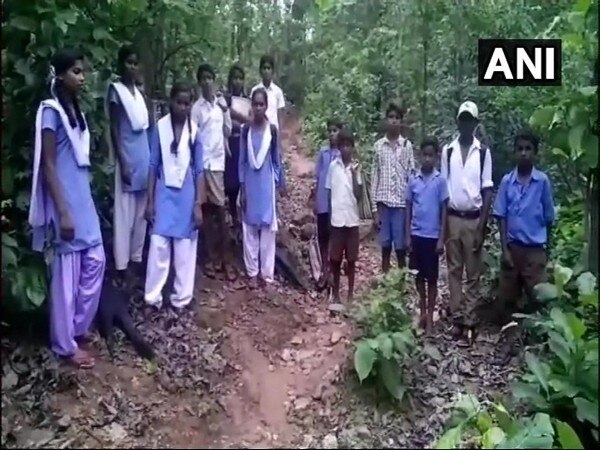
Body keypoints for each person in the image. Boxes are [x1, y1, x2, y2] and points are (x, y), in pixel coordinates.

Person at [29, 48, 105, 368]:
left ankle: (77, 328)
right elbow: (48, 165)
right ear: (60, 75)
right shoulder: (50, 112)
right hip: (65, 203)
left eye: (83, 71)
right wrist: (62, 211)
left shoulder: (75, 111)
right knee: (66, 275)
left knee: (96, 260)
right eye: (76, 72)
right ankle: (64, 345)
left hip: (82, 198)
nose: (82, 77)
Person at [492, 130, 555, 363]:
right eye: (520, 149)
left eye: (529, 149)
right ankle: (507, 344)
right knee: (507, 299)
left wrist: (546, 250)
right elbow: (501, 215)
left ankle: (539, 348)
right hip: (513, 249)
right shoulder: (508, 181)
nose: (524, 153)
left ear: (535, 153)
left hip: (534, 250)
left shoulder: (542, 182)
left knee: (538, 297)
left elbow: (549, 218)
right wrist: (505, 250)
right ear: (515, 152)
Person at [144, 82, 204, 309]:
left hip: (186, 195)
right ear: (171, 102)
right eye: (178, 102)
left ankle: (182, 298)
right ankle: (152, 297)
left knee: (184, 249)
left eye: (187, 103)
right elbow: (152, 164)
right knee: (159, 244)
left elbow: (200, 170)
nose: (182, 107)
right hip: (163, 192)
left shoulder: (195, 132)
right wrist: (150, 201)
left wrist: (199, 203)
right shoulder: (159, 128)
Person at [440, 101, 494, 344]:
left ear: (475, 123)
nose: (465, 124)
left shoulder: (482, 152)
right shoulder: (448, 151)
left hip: (473, 219)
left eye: (470, 120)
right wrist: (442, 228)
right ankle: (458, 318)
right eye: (462, 119)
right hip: (452, 217)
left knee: (472, 273)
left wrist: (482, 227)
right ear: (457, 121)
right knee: (453, 271)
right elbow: (443, 189)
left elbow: (487, 191)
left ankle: (471, 323)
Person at [105, 45, 151, 284]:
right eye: (128, 62)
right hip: (127, 157)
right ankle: (121, 265)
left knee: (142, 213)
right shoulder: (117, 91)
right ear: (121, 64)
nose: (132, 67)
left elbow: (146, 126)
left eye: (136, 63)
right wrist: (121, 161)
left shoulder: (139, 93)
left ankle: (136, 258)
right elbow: (113, 128)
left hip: (143, 156)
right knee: (124, 213)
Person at [191, 63, 235, 280]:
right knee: (206, 213)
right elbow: (192, 138)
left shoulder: (219, 107)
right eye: (204, 78)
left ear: (214, 80)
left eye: (210, 77)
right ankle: (210, 259)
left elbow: (228, 130)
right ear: (199, 82)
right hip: (202, 165)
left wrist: (226, 110)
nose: (207, 81)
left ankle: (226, 260)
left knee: (220, 211)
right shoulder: (196, 109)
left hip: (217, 165)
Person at [238, 88, 284, 289]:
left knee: (266, 230)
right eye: (255, 104)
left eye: (261, 104)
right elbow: (242, 161)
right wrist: (242, 187)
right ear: (251, 105)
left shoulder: (272, 130)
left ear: (266, 106)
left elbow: (276, 160)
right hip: (250, 183)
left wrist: (280, 184)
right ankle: (252, 272)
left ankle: (267, 275)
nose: (258, 107)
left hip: (265, 183)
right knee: (249, 228)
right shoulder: (245, 130)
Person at [405, 138, 449, 336]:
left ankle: (430, 316)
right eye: (424, 155)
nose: (428, 159)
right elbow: (408, 207)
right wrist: (407, 235)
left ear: (437, 157)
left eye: (431, 155)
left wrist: (441, 238)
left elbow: (444, 210)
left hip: (432, 237)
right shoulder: (413, 180)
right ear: (419, 156)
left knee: (432, 279)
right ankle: (422, 310)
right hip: (416, 235)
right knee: (418, 277)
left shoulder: (440, 181)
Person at [370, 102, 415, 273]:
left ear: (401, 121)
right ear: (386, 120)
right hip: (384, 204)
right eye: (391, 117)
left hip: (401, 205)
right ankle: (385, 284)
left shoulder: (406, 146)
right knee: (386, 247)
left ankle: (401, 285)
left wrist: (413, 204)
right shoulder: (378, 146)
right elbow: (375, 177)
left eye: (397, 118)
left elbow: (411, 175)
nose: (394, 121)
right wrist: (374, 209)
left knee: (401, 248)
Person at [326, 128, 363, 303]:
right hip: (337, 219)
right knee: (335, 259)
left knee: (351, 259)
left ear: (353, 148)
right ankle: (336, 294)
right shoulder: (333, 167)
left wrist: (355, 176)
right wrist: (328, 216)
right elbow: (328, 192)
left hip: (352, 220)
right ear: (339, 147)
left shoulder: (357, 168)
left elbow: (359, 195)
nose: (346, 149)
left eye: (349, 145)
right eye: (343, 145)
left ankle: (350, 294)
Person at [310, 118, 342, 288]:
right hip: (323, 201)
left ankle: (332, 271)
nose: (332, 133)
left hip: (337, 203)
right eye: (330, 130)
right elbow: (318, 178)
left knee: (334, 237)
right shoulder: (323, 153)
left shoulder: (342, 154)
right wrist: (315, 199)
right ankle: (324, 269)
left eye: (335, 130)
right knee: (323, 237)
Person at [224, 63, 249, 227]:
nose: (237, 81)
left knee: (243, 180)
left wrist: (236, 116)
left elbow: (250, 122)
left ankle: (242, 217)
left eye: (240, 78)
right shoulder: (224, 99)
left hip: (244, 143)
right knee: (230, 181)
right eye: (235, 78)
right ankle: (231, 214)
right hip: (229, 143)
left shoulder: (248, 100)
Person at [250, 54, 285, 131]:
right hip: (258, 131)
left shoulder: (278, 92)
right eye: (264, 68)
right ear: (260, 71)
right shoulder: (254, 91)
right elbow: (252, 112)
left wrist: (279, 135)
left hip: (273, 131)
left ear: (272, 71)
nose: (266, 71)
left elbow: (280, 116)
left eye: (268, 68)